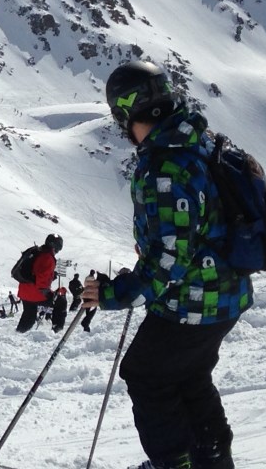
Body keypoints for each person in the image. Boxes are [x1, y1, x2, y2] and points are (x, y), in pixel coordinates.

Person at [78, 58, 251, 469]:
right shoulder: (199, 140)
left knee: (146, 373)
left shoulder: (166, 165)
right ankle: (211, 458)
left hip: (193, 301)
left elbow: (169, 261)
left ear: (126, 113)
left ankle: (173, 463)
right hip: (225, 297)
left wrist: (114, 293)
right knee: (189, 377)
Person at [15, 235, 68, 334]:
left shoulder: (37, 252)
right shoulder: (48, 257)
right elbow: (42, 281)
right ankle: (57, 330)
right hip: (35, 293)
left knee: (29, 315)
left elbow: (36, 273)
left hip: (24, 291)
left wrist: (51, 276)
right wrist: (48, 294)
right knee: (61, 301)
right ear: (56, 246)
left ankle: (18, 333)